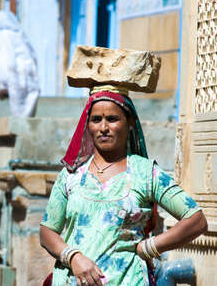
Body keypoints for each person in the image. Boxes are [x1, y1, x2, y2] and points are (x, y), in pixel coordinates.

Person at [39, 86, 207, 286]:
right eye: (96, 120)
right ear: (88, 125)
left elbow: (196, 220)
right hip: (71, 280)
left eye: (112, 119)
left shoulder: (146, 173)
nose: (103, 127)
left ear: (129, 124)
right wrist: (74, 257)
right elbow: (47, 232)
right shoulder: (71, 175)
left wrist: (149, 247)